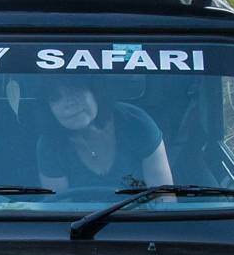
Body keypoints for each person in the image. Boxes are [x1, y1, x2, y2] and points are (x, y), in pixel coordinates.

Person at [34, 77, 173, 192]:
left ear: (96, 91)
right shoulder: (49, 145)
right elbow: (59, 210)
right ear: (48, 109)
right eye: (55, 97)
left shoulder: (137, 124)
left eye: (75, 90)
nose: (68, 103)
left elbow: (164, 200)